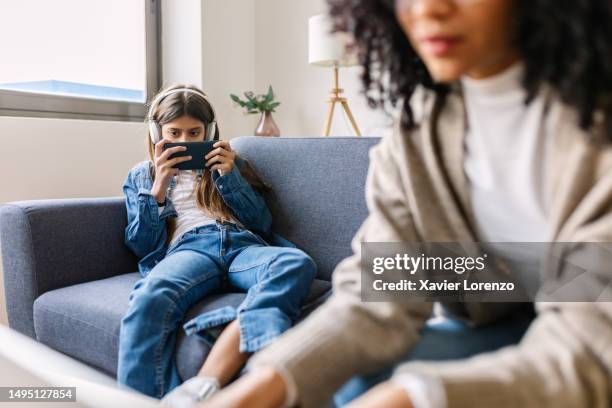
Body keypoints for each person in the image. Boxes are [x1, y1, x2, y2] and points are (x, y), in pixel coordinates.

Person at [202, 0, 612, 407]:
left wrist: (415, 397)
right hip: (496, 318)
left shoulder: (596, 122)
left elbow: (589, 349)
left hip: (591, 338)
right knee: (355, 381)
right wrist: (265, 381)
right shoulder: (420, 125)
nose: (427, 9)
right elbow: (383, 289)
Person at [116, 84, 316, 405]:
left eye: (194, 133)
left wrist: (228, 175)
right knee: (150, 294)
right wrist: (158, 188)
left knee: (296, 263)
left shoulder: (230, 164)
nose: (185, 142)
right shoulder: (143, 176)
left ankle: (235, 331)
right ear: (156, 133)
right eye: (174, 133)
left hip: (241, 245)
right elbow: (141, 244)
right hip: (190, 249)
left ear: (208, 131)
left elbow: (262, 223)